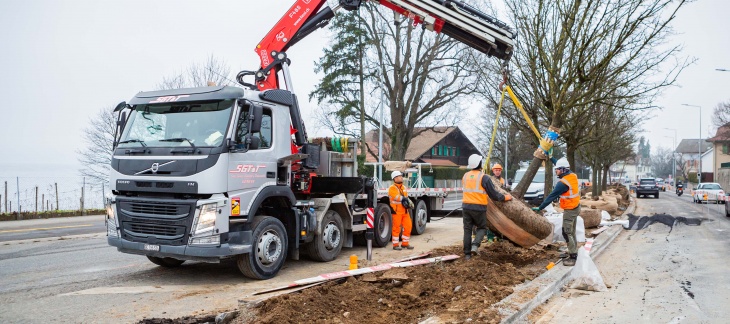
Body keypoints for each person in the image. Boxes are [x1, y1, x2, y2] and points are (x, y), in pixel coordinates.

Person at [462, 154, 513, 260]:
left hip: (466, 207)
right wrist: (505, 197)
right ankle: (475, 245)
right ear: (480, 164)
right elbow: (494, 195)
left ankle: (467, 255)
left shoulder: (465, 176)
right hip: (479, 207)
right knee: (481, 227)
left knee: (467, 230)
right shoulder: (484, 177)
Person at [532, 161, 581, 266]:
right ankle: (573, 251)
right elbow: (560, 163)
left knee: (566, 232)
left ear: (563, 169)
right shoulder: (572, 175)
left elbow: (551, 196)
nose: (556, 171)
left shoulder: (562, 184)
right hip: (575, 206)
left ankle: (573, 257)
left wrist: (540, 207)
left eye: (557, 169)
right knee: (571, 231)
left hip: (570, 209)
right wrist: (551, 157)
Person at [388, 171, 413, 250]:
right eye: (399, 176)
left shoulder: (404, 187)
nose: (401, 177)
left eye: (401, 176)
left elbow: (406, 198)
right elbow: (396, 197)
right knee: (396, 228)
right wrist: (405, 199)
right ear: (395, 178)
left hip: (405, 211)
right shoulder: (392, 188)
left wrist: (409, 203)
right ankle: (395, 245)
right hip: (396, 211)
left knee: (408, 226)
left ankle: (405, 244)